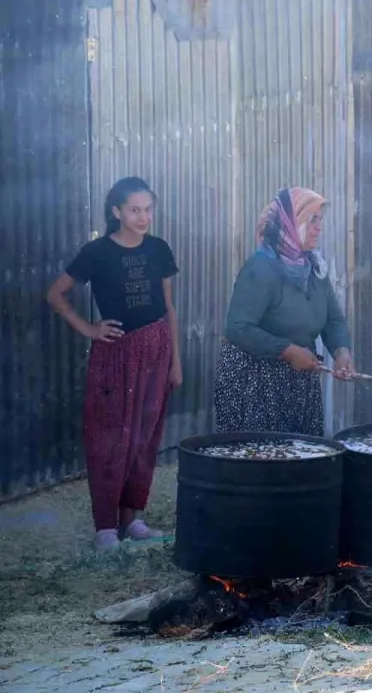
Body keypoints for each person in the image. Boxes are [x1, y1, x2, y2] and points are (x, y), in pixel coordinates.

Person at [46, 177, 182, 551]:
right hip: (116, 354)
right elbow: (55, 294)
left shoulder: (158, 249)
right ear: (116, 212)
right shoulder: (97, 252)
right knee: (109, 437)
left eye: (148, 209)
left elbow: (168, 307)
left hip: (157, 350)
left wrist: (175, 362)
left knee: (145, 436)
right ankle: (105, 528)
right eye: (135, 210)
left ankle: (132, 519)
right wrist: (88, 328)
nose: (143, 217)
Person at [215, 187, 354, 436]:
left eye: (320, 220)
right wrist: (288, 351)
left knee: (301, 459)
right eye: (312, 219)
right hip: (256, 382)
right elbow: (238, 329)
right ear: (290, 222)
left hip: (299, 378)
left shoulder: (313, 268)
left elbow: (333, 319)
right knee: (264, 462)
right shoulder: (261, 268)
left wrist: (341, 352)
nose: (318, 227)